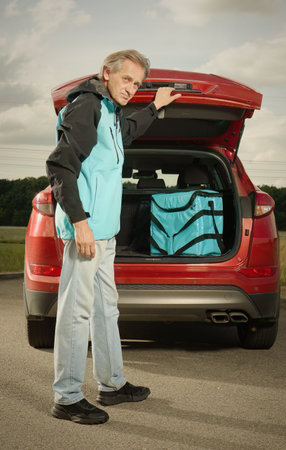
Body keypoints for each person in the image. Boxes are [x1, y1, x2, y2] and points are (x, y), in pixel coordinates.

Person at [46, 49, 181, 425]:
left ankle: (112, 384)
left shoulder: (111, 112)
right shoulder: (86, 105)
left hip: (105, 233)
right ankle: (67, 397)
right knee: (77, 313)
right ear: (107, 73)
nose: (131, 88)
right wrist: (79, 222)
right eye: (127, 80)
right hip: (86, 230)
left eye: (137, 84)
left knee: (106, 309)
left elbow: (128, 132)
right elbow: (60, 164)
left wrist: (154, 105)